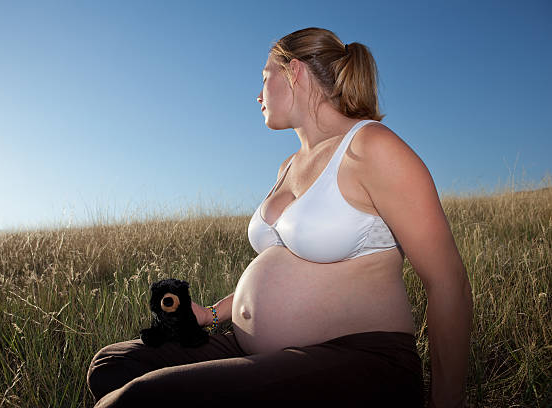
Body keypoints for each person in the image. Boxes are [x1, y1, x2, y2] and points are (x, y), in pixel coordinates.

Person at [87, 27, 473, 407]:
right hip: (263, 348)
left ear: (295, 72)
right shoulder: (288, 167)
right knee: (111, 365)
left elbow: (447, 282)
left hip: (361, 357)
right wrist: (214, 313)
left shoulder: (371, 147)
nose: (258, 95)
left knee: (139, 399)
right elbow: (290, 267)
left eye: (264, 76)